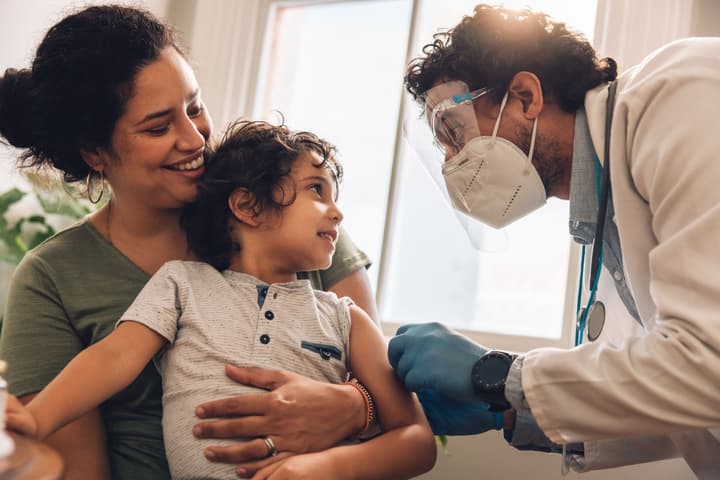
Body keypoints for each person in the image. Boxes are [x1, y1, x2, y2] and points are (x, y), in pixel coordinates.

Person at [0, 5, 380, 479]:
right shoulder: (53, 279)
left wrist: (354, 406)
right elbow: (75, 468)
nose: (194, 137)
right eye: (158, 127)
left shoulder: (290, 217)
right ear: (96, 152)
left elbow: (395, 407)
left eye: (195, 107)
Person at [388, 3, 720, 478]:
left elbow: (708, 365)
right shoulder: (608, 211)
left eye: (455, 133)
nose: (452, 164)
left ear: (525, 96)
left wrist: (500, 374)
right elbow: (676, 402)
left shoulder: (677, 96)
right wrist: (506, 409)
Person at [5, 119, 436, 480]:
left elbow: (417, 440)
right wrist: (36, 418)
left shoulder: (347, 320)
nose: (337, 212)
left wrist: (320, 468)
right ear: (248, 206)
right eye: (316, 191)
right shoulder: (180, 285)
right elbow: (114, 357)